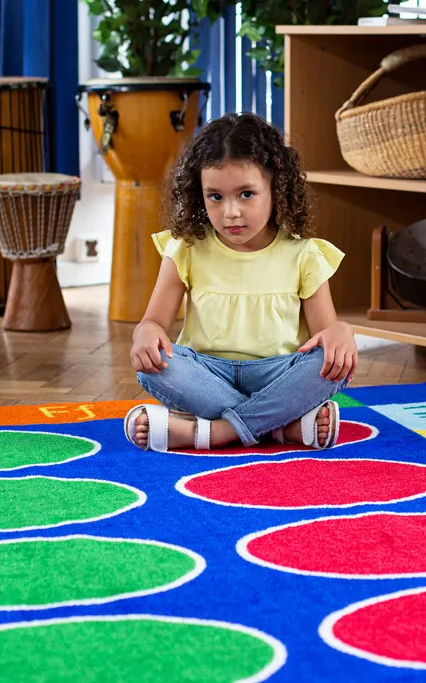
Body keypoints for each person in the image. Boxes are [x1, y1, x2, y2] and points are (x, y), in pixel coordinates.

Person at [124, 111, 358, 452]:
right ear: (199, 194)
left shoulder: (305, 254)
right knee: (153, 369)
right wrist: (144, 332)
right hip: (207, 373)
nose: (230, 212)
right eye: (215, 197)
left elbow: (325, 339)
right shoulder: (186, 247)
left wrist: (341, 332)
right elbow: (153, 323)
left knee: (334, 364)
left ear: (276, 188)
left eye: (246, 194)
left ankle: (213, 433)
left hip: (279, 372)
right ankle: (279, 427)